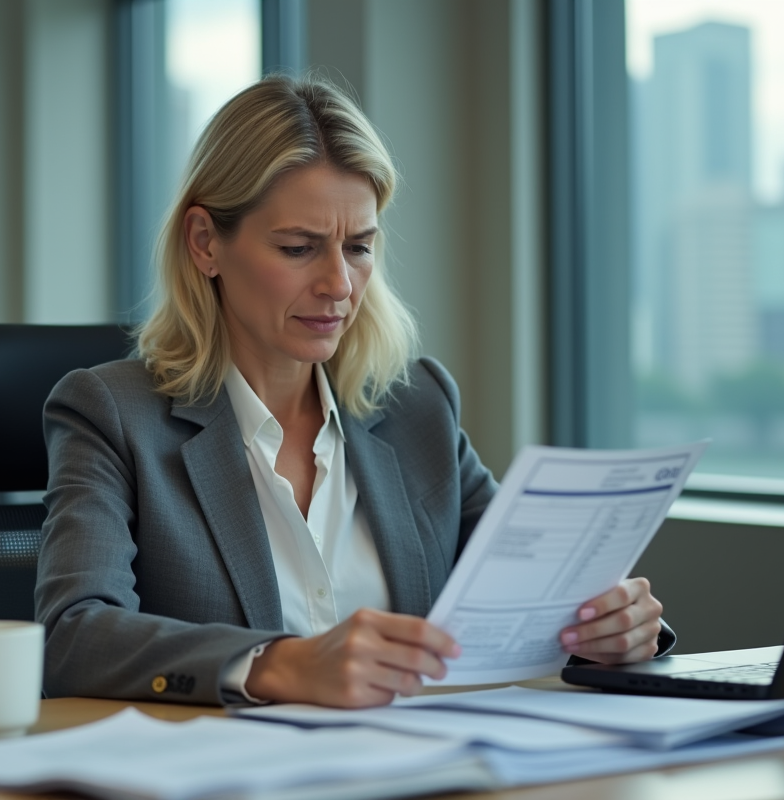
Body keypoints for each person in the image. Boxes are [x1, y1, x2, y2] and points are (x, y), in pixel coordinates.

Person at [36, 74, 671, 708]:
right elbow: (73, 636)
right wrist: (275, 665)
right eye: (298, 248)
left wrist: (604, 628)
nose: (339, 284)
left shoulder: (418, 405)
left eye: (359, 247)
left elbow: (532, 594)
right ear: (206, 244)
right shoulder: (113, 415)